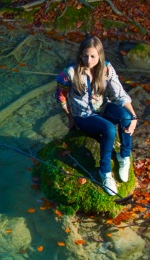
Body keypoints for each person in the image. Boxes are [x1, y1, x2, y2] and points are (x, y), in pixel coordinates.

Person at [55, 35, 138, 196]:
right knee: (109, 129)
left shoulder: (106, 69)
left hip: (103, 107)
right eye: (85, 56)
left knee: (126, 117)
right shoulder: (68, 73)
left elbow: (120, 94)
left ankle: (123, 156)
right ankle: (105, 172)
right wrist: (70, 116)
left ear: (100, 55)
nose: (88, 60)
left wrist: (134, 116)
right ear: (80, 55)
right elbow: (61, 96)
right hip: (84, 116)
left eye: (93, 56)